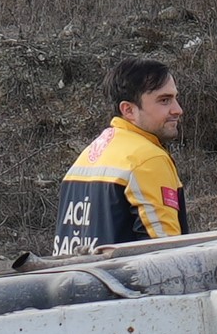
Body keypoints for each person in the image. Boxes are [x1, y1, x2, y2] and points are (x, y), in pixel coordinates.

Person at [56, 58, 186, 250]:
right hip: (123, 280)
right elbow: (165, 254)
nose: (178, 110)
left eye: (175, 98)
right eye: (164, 100)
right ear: (128, 110)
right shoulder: (148, 159)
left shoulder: (86, 156)